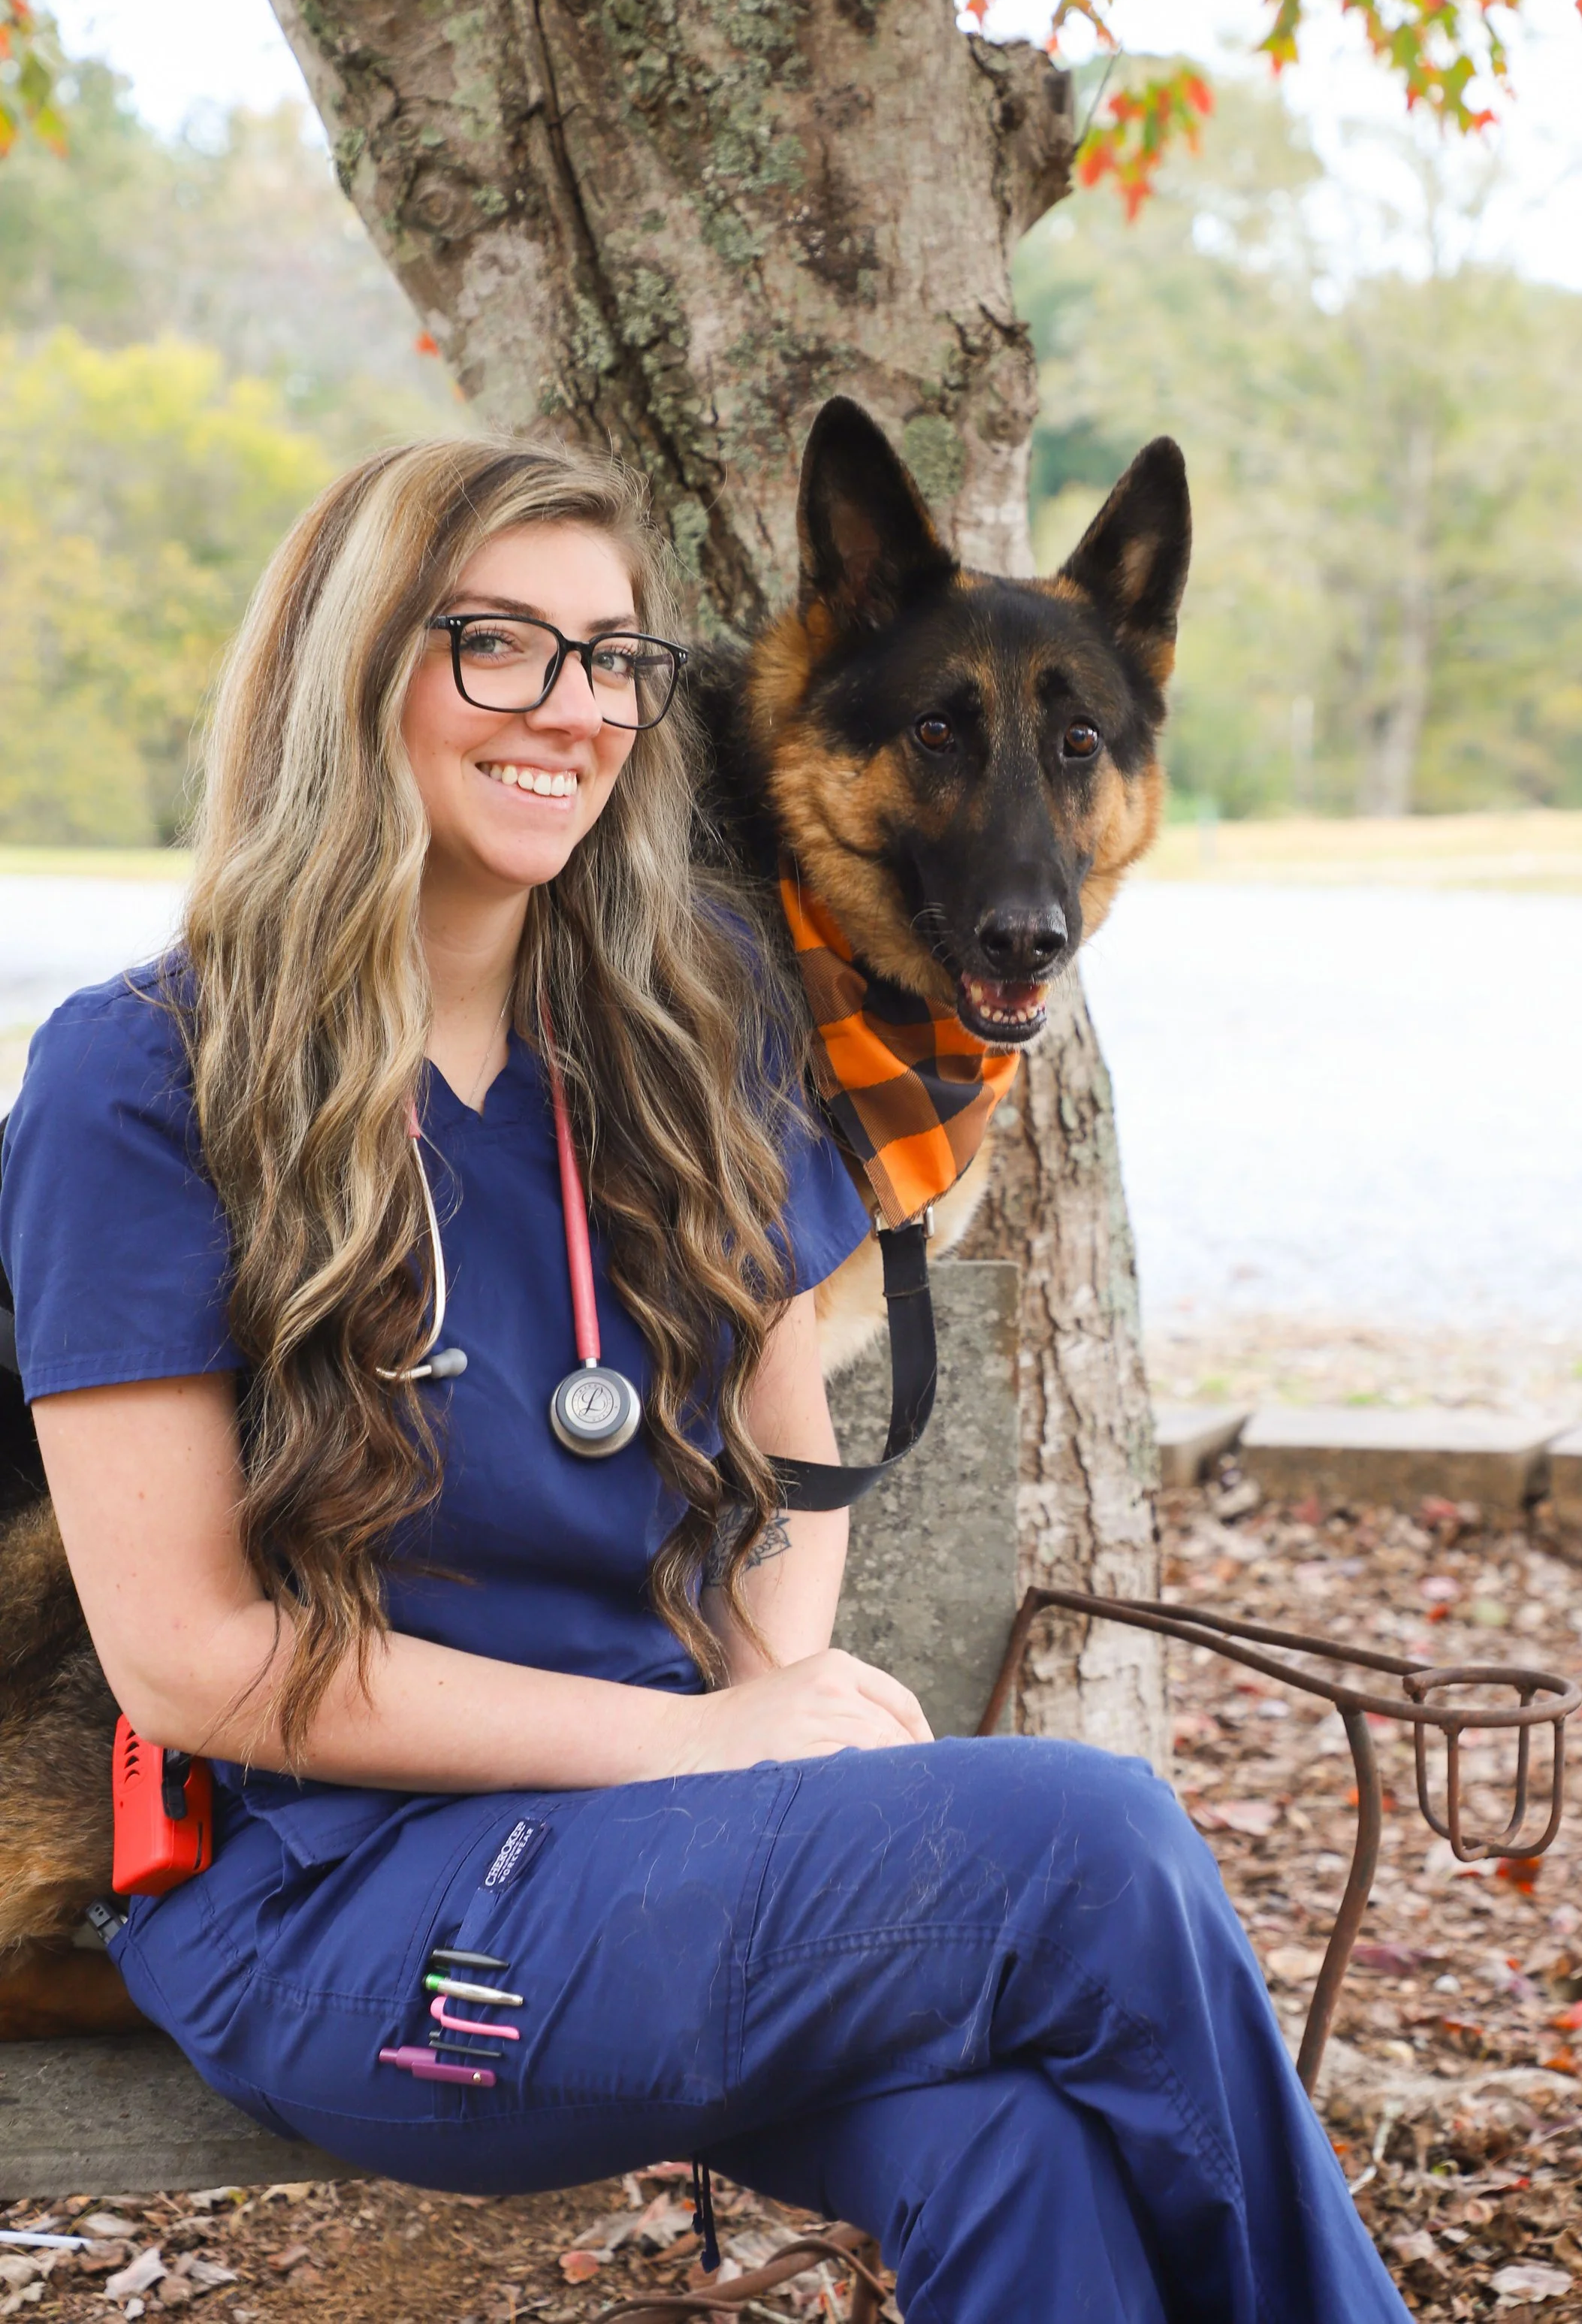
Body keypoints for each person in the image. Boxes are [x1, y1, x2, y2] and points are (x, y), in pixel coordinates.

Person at [0, 438, 1411, 2323]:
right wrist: (690, 1743)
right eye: (493, 644)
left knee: (1020, 2154)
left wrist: (777, 1701)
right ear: (348, 669)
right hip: (329, 1910)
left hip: (659, 1860)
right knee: (1088, 1837)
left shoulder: (688, 1043)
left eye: (610, 656)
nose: (568, 709)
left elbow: (780, 1458)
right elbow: (187, 1661)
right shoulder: (142, 1081)